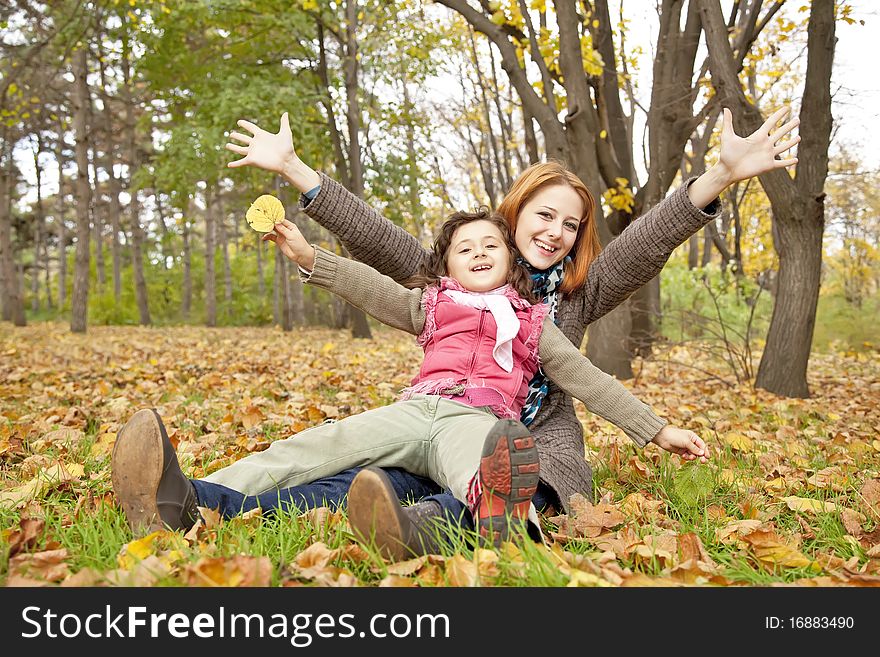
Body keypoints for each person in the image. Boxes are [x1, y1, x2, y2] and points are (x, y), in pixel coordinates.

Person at [111, 105, 798, 550]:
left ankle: (434, 527)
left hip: (528, 438)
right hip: (433, 417)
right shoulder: (455, 277)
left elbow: (645, 244)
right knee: (359, 474)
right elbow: (377, 251)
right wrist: (296, 172)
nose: (556, 232)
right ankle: (194, 501)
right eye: (544, 214)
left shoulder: (578, 298)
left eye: (571, 224)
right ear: (514, 213)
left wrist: (719, 175)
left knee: (537, 481)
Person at [112, 206, 709, 555]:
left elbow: (588, 379)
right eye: (464, 248)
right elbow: (372, 287)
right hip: (415, 410)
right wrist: (309, 257)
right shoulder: (429, 304)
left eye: (490, 246)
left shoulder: (535, 324)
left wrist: (657, 431)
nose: (477, 254)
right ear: (446, 263)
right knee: (311, 448)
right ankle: (188, 501)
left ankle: (460, 530)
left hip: (475, 422)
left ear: (510, 258)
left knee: (491, 475)